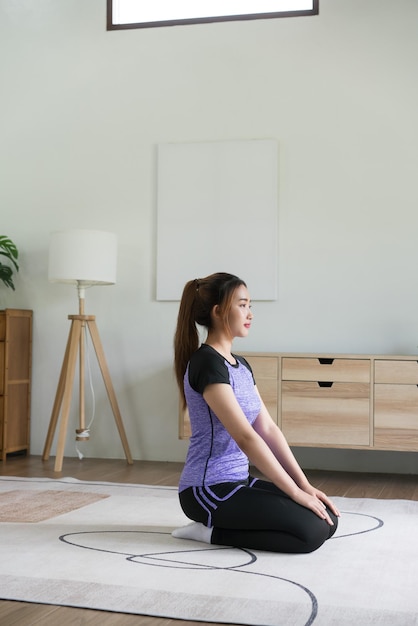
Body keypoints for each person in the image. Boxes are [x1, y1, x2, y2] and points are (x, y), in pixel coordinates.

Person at [172, 272, 339, 553]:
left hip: (239, 481)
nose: (250, 313)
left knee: (328, 519)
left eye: (250, 305)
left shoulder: (241, 365)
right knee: (310, 533)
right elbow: (246, 437)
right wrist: (293, 493)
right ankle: (208, 533)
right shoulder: (206, 364)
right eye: (242, 305)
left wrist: (305, 485)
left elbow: (268, 430)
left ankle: (221, 526)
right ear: (217, 311)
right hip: (207, 490)